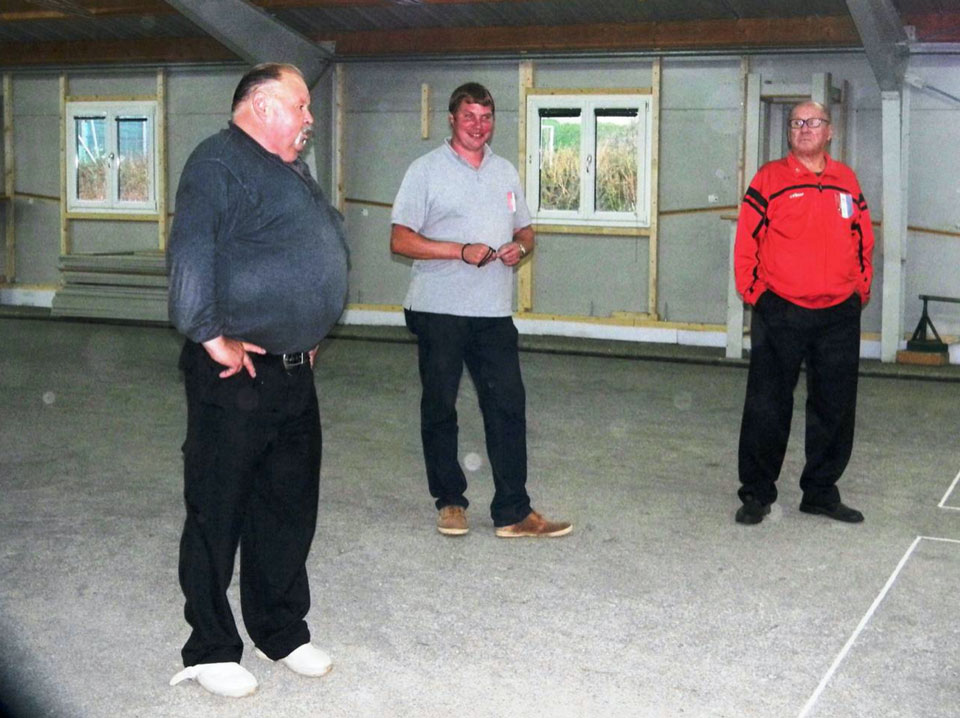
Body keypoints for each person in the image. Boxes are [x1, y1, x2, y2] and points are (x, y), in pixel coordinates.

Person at [166, 62, 348, 697]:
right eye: (301, 105)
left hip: (293, 372)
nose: (309, 118)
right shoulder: (218, 162)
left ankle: (281, 630)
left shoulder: (289, 170)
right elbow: (191, 251)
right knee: (217, 508)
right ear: (263, 106)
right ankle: (211, 647)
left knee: (287, 506)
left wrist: (310, 325)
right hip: (235, 372)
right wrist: (209, 332)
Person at [390, 82, 571, 539]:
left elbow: (526, 231)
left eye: (486, 117)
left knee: (508, 406)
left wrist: (518, 248)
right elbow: (400, 239)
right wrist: (459, 250)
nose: (478, 125)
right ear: (452, 119)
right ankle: (450, 501)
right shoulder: (425, 170)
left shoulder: (504, 171)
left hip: (492, 312)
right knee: (440, 406)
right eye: (469, 116)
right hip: (439, 309)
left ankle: (513, 511)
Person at [733, 100, 874, 525]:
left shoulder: (846, 180)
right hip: (782, 311)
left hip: (839, 314)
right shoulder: (769, 179)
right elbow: (746, 242)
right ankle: (757, 493)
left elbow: (864, 238)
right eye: (797, 123)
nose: (804, 128)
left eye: (813, 122)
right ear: (790, 133)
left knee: (835, 406)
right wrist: (759, 296)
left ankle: (820, 492)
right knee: (767, 405)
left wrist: (859, 289)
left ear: (829, 131)